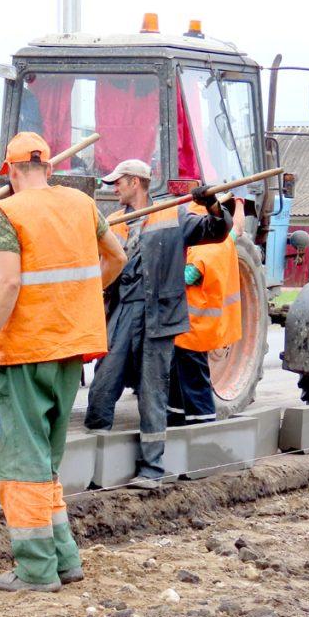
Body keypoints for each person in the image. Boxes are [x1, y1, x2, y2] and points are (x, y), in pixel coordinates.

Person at [0, 132, 126, 592]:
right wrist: (82, 296)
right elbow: (117, 255)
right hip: (71, 348)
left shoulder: (9, 213)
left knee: (22, 464)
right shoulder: (83, 204)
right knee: (46, 461)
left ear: (10, 172)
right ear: (50, 168)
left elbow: (8, 284)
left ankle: (36, 570)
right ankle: (65, 559)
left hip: (27, 350)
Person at [133, 185, 234, 485]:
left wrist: (164, 274)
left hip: (196, 325)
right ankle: (179, 439)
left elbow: (193, 273)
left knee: (196, 386)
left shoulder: (208, 242)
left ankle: (204, 452)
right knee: (178, 388)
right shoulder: (202, 233)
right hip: (184, 325)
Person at [84, 159, 151, 431]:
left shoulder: (165, 215)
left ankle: (157, 440)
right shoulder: (113, 222)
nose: (113, 189)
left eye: (118, 183)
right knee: (107, 373)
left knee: (153, 381)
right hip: (122, 305)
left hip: (155, 310)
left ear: (135, 182)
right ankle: (97, 431)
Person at [168, 209, 243, 427]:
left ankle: (203, 428)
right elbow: (237, 229)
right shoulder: (225, 240)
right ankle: (176, 419)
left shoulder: (205, 250)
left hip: (193, 329)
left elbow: (186, 277)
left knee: (194, 382)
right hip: (195, 328)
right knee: (180, 381)